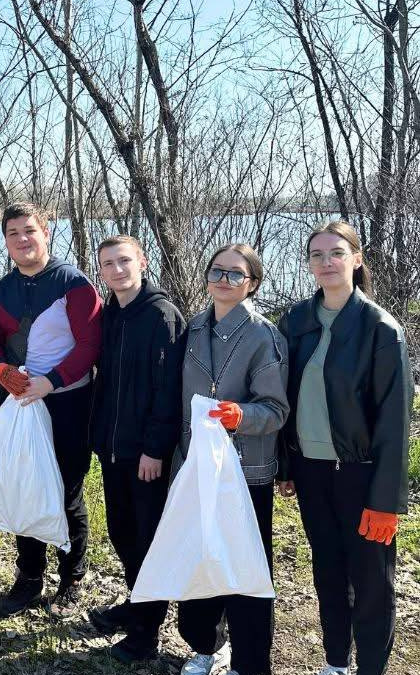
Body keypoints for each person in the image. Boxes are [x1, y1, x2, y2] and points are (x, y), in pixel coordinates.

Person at [277, 221, 412, 675]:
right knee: (328, 573)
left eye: (336, 253)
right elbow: (281, 397)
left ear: (356, 259)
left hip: (361, 473)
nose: (326, 262)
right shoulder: (295, 322)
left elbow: (395, 422)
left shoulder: (380, 329)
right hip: (312, 471)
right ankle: (337, 662)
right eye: (316, 255)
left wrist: (386, 501)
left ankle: (371, 667)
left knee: (371, 581)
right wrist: (286, 464)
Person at [0, 201, 102, 618]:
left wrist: (51, 380)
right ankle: (30, 576)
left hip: (67, 402)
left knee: (66, 490)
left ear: (46, 232)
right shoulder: (1, 290)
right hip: (18, 403)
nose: (22, 239)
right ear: (6, 241)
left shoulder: (74, 283)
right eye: (13, 233)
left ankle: (72, 577)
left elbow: (90, 345)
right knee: (25, 487)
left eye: (29, 230)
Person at [173, 243, 289, 675]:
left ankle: (250, 662)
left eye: (235, 274)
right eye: (217, 271)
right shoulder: (194, 328)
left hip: (244, 472)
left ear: (253, 283)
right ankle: (205, 645)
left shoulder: (264, 335)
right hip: (196, 467)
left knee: (244, 571)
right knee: (197, 560)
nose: (224, 280)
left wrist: (240, 415)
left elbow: (276, 409)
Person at [87, 236, 186, 663]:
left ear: (141, 262)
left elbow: (169, 392)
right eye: (108, 264)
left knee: (147, 539)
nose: (117, 270)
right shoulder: (112, 313)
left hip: (145, 455)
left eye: (124, 261)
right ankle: (137, 603)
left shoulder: (161, 316)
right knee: (122, 533)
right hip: (113, 448)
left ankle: (146, 632)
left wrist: (155, 448)